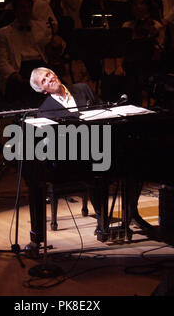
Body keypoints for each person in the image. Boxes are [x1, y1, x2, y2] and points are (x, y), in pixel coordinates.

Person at [23, 67, 151, 257]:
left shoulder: (82, 88)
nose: (49, 79)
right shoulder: (45, 111)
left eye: (49, 74)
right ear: (43, 90)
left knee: (137, 163)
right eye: (44, 80)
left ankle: (130, 214)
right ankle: (102, 219)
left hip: (105, 142)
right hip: (78, 153)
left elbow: (102, 110)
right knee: (93, 171)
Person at [0, 0, 64, 104]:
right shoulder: (4, 33)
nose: (26, 11)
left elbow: (57, 45)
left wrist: (57, 43)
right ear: (15, 11)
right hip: (20, 69)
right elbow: (1, 62)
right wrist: (13, 75)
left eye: (28, 8)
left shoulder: (41, 27)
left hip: (40, 66)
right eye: (22, 8)